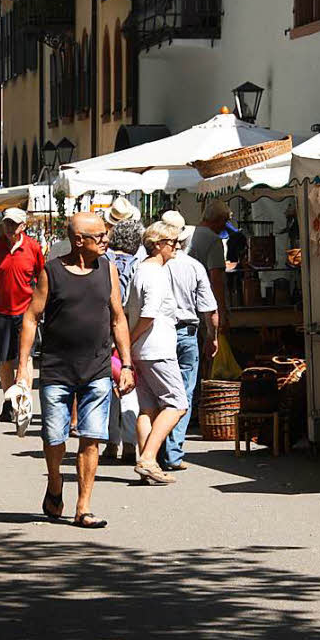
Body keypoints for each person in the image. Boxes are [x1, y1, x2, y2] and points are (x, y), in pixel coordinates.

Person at [17, 213, 134, 529]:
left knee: (91, 438)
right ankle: (55, 483)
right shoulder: (51, 273)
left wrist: (126, 364)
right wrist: (23, 367)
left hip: (96, 370)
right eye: (100, 236)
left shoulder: (107, 269)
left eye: (106, 235)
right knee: (54, 437)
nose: (106, 241)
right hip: (57, 370)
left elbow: (118, 318)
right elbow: (31, 318)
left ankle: (83, 507)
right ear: (79, 240)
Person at [125, 221, 188, 485]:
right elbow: (148, 314)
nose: (177, 246)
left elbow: (133, 308)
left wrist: (130, 345)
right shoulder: (157, 273)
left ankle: (146, 464)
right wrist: (129, 341)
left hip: (143, 349)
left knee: (147, 408)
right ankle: (149, 458)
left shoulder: (141, 269)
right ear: (158, 245)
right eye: (173, 242)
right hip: (156, 347)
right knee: (177, 404)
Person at [156, 211, 220, 472]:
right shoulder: (193, 266)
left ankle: (156, 450)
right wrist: (212, 337)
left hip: (158, 334)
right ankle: (172, 452)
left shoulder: (151, 264)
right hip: (186, 334)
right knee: (183, 393)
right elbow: (210, 310)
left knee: (160, 394)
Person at [0, 207, 44, 421]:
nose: (9, 227)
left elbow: (41, 276)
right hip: (1, 311)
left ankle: (23, 403)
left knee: (26, 357)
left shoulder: (33, 247)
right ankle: (9, 403)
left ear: (23, 226)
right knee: (6, 360)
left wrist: (39, 305)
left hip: (27, 311)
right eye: (7, 223)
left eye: (14, 224)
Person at [103, 217, 144, 463]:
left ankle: (110, 443)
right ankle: (129, 444)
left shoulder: (102, 261)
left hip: (104, 331)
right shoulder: (138, 264)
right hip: (129, 331)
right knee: (129, 387)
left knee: (108, 388)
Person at [188, 200, 231, 330]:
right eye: (225, 222)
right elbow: (216, 279)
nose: (225, 226)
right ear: (218, 220)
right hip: (204, 305)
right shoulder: (214, 240)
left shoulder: (187, 233)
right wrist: (222, 312)